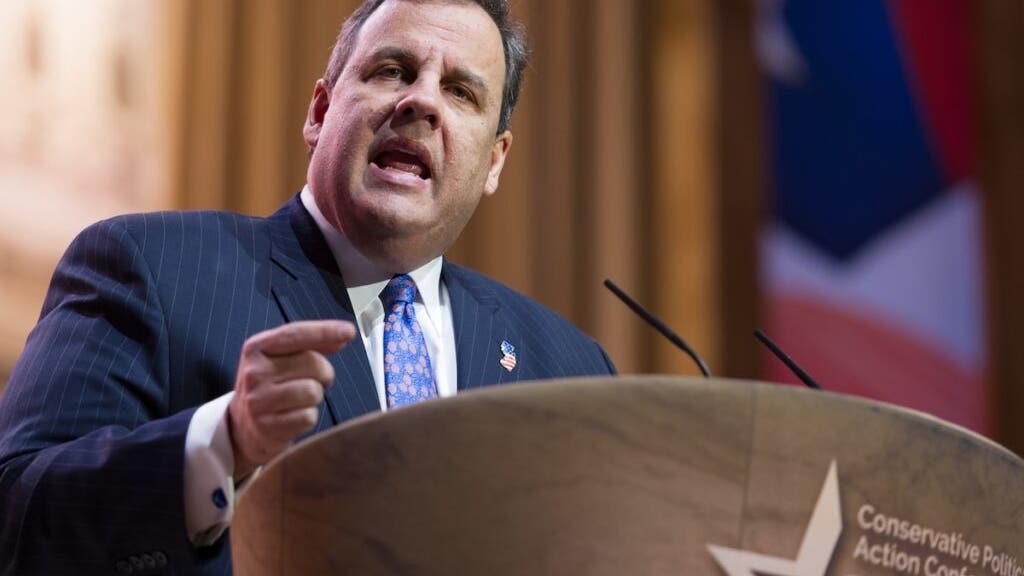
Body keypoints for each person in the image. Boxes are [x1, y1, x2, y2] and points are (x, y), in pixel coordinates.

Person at [0, 0, 615, 574]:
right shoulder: (153, 267)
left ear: (495, 160)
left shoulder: (570, 369)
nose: (422, 101)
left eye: (460, 91)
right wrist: (223, 443)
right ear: (319, 113)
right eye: (393, 71)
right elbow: (17, 515)